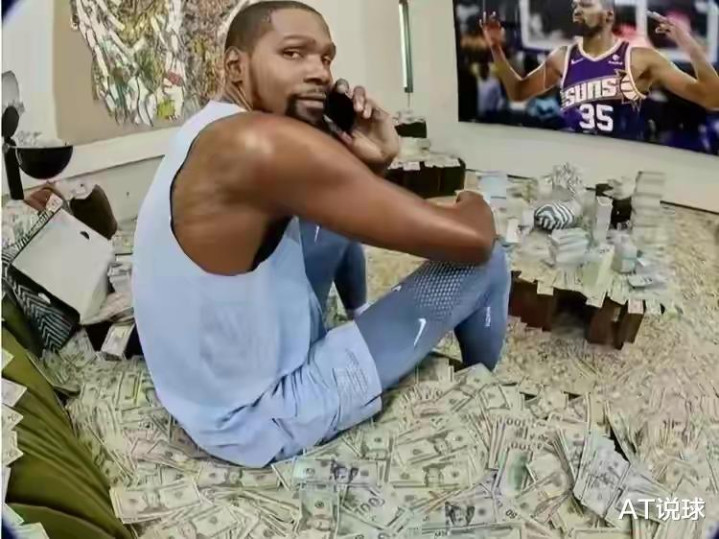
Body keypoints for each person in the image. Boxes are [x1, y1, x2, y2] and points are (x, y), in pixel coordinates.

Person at [132, 1, 510, 468]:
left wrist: (376, 160)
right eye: (293, 53)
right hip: (259, 418)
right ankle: (479, 390)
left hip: (205, 391)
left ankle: (358, 316)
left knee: (331, 216)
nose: (319, 73)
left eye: (326, 57)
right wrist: (475, 200)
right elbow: (472, 239)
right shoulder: (262, 143)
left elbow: (347, 200)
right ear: (235, 66)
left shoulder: (211, 126)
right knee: (489, 260)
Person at [481, 0, 719, 140]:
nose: (577, 10)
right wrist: (495, 48)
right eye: (576, 5)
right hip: (575, 163)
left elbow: (712, 98)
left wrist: (688, 43)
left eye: (585, 4)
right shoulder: (561, 57)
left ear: (608, 15)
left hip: (625, 166)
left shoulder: (640, 59)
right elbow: (518, 93)